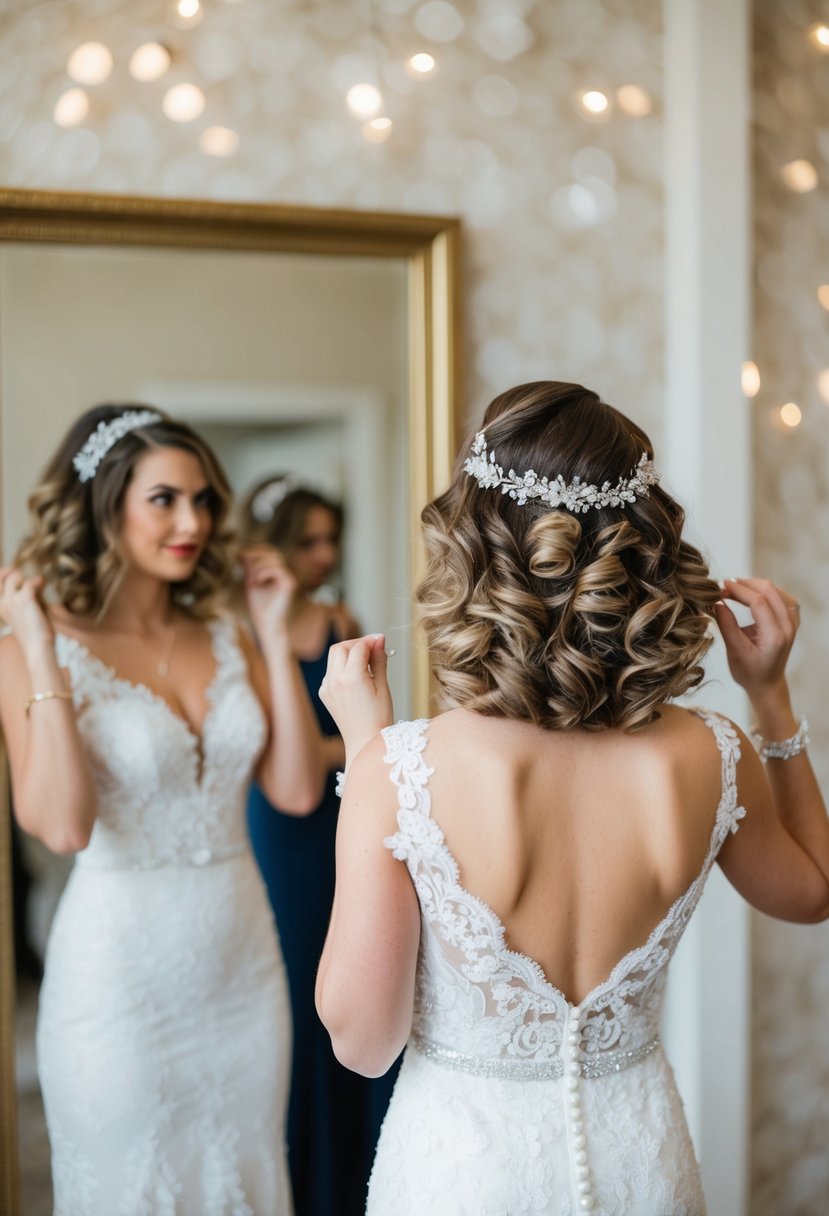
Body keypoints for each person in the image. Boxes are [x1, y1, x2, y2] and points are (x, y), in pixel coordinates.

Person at [314, 381, 829, 1215]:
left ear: (474, 549)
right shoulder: (713, 752)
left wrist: (364, 755)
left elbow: (361, 1044)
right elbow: (814, 890)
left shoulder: (402, 766)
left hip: (465, 1177)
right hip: (642, 1169)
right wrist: (768, 694)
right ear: (644, 551)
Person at [0, 405, 329, 1215]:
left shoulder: (223, 631)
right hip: (117, 981)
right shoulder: (29, 648)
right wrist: (42, 651)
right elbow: (66, 826)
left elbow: (294, 789)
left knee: (247, 1176)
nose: (193, 521)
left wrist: (272, 631)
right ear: (104, 504)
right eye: (165, 499)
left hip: (243, 968)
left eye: (204, 499)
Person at [240, 475, 400, 1216]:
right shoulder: (240, 629)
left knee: (355, 974)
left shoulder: (340, 617)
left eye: (331, 538)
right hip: (278, 832)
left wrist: (328, 747)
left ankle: (355, 1179)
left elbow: (363, 743)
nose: (324, 553)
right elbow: (306, 764)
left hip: (343, 822)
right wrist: (340, 747)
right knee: (300, 992)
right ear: (268, 542)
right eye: (308, 539)